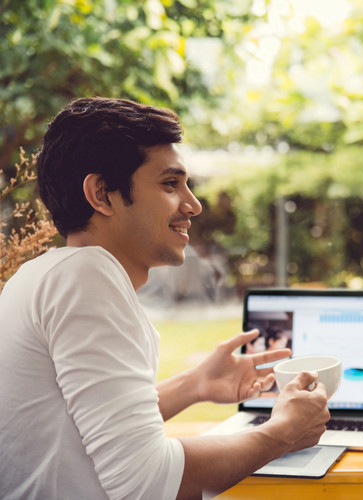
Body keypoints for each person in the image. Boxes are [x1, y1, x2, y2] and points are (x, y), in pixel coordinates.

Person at [0, 97, 331, 500]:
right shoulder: (85, 278)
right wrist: (282, 433)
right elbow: (149, 480)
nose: (193, 205)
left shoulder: (40, 275)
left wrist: (195, 384)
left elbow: (95, 429)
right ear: (102, 193)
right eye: (170, 184)